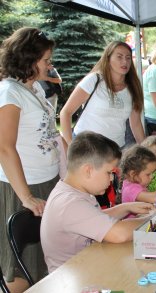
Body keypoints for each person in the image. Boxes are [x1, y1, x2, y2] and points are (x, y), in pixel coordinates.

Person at [40, 131, 155, 273]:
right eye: (108, 173)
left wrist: (127, 207)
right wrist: (153, 219)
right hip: (71, 280)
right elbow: (119, 234)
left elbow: (95, 217)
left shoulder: (74, 191)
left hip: (87, 267)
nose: (112, 179)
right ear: (88, 170)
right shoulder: (70, 203)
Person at [0, 27, 58, 292]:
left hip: (45, 182)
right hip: (24, 188)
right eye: (46, 60)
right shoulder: (9, 92)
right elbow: (4, 147)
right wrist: (25, 197)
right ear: (28, 58)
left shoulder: (33, 89)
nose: (50, 64)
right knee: (21, 271)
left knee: (42, 265)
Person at [60, 41, 145, 148]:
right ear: (108, 59)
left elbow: (136, 123)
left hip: (114, 151)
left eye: (128, 58)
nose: (125, 61)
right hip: (85, 148)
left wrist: (145, 151)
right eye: (119, 57)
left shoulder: (133, 88)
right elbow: (66, 112)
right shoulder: (94, 80)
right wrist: (71, 146)